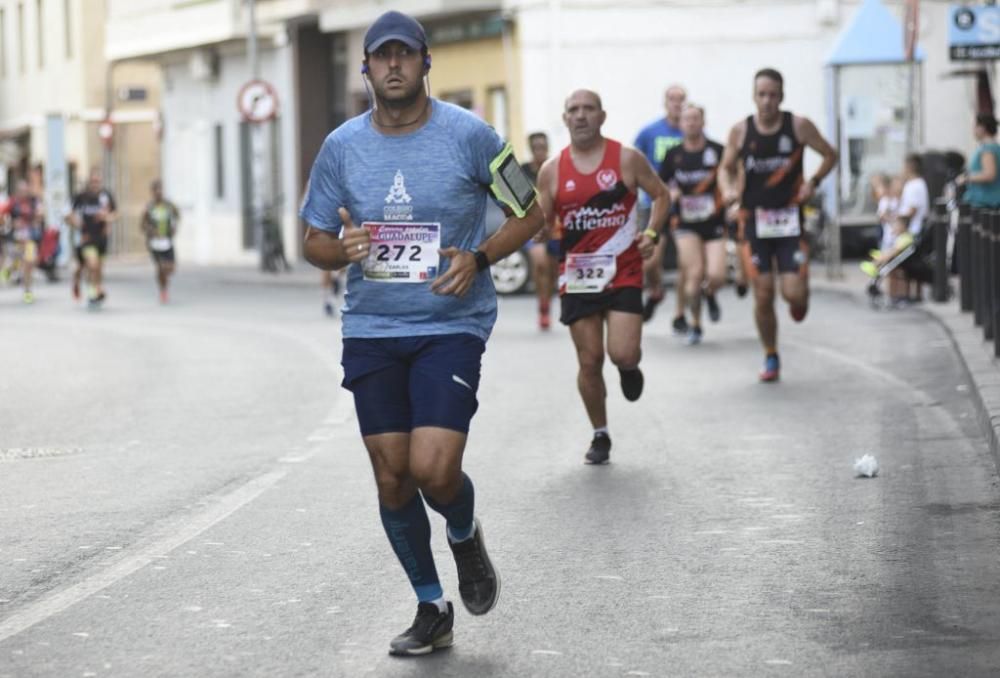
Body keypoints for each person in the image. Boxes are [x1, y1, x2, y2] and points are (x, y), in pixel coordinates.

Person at [299, 11, 544, 657]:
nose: (395, 65)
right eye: (382, 56)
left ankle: (462, 533)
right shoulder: (341, 147)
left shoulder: (472, 135)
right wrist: (342, 249)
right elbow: (313, 241)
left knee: (433, 470)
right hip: (372, 329)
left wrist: (480, 257)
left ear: (425, 62)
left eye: (405, 54)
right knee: (391, 479)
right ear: (367, 68)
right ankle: (431, 605)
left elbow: (531, 209)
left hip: (449, 325)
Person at [535, 89, 669, 465]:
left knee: (621, 352)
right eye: (573, 110)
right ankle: (601, 433)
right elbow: (542, 221)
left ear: (602, 116)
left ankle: (629, 367)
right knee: (590, 361)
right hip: (578, 276)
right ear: (565, 119)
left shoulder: (626, 158)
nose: (580, 116)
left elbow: (661, 195)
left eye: (588, 109)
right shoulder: (552, 170)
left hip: (623, 270)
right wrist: (539, 231)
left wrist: (653, 233)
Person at [719, 68, 838, 382]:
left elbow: (830, 154)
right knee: (763, 292)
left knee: (792, 295)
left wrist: (813, 181)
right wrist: (730, 193)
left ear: (782, 96)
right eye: (762, 94)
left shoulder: (797, 126)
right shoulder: (741, 132)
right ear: (754, 96)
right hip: (754, 222)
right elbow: (725, 168)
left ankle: (801, 296)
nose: (767, 101)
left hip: (789, 221)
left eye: (773, 94)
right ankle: (770, 354)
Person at [659, 104, 727, 345]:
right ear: (680, 124)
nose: (690, 123)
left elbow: (732, 174)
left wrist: (730, 192)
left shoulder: (717, 150)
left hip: (714, 221)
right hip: (685, 223)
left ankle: (711, 293)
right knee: (694, 274)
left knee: (717, 275)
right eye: (686, 119)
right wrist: (671, 192)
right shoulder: (673, 154)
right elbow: (661, 185)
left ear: (703, 121)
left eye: (695, 118)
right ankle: (696, 325)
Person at [634, 85, 688, 331]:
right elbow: (632, 161)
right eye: (672, 99)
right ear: (665, 102)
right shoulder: (650, 132)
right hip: (653, 202)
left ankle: (680, 314)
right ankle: (655, 290)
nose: (676, 104)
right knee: (650, 261)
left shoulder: (691, 131)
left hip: (685, 206)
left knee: (687, 263)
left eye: (680, 100)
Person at [522, 132, 558, 329]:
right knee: (540, 263)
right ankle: (543, 308)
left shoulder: (555, 168)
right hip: (531, 226)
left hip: (554, 225)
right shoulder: (522, 171)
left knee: (552, 269)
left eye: (543, 147)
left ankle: (547, 302)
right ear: (531, 149)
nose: (540, 151)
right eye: (536, 148)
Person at [69, 169, 117, 305]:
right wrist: (76, 223)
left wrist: (108, 218)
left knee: (98, 268)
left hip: (101, 238)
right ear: (89, 182)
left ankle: (94, 287)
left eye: (98, 181)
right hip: (86, 237)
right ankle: (93, 290)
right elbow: (69, 214)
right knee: (91, 264)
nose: (96, 184)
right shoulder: (81, 197)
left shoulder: (106, 196)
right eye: (93, 181)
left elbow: (116, 213)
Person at [141, 179, 179, 304]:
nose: (159, 192)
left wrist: (174, 228)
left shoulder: (169, 206)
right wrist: (151, 230)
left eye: (160, 189)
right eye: (156, 190)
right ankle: (163, 290)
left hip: (167, 242)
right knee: (160, 268)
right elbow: (142, 225)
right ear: (152, 192)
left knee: (171, 268)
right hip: (154, 243)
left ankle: (164, 282)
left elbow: (177, 216)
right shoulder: (149, 207)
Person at [897, 153, 929, 302]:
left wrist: (900, 221)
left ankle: (913, 294)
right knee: (909, 263)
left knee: (911, 263)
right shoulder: (914, 184)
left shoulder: (915, 185)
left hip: (913, 230)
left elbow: (912, 209)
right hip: (911, 229)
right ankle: (908, 293)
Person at [7, 180, 43, 303]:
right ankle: (11, 269)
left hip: (30, 238)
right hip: (15, 239)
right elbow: (2, 215)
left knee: (29, 263)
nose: (23, 193)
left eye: (25, 190)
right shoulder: (12, 202)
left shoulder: (34, 201)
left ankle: (27, 290)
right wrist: (11, 223)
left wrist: (37, 218)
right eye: (21, 191)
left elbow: (40, 214)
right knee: (14, 262)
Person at [959, 113, 1000, 209]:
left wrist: (966, 178)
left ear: (982, 128)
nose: (973, 130)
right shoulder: (992, 147)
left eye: (975, 126)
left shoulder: (988, 148)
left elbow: (989, 174)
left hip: (986, 203)